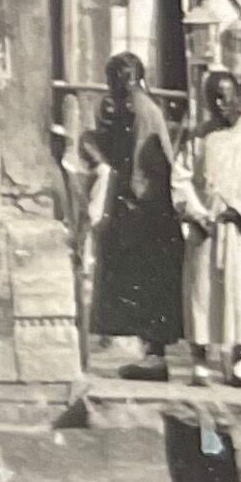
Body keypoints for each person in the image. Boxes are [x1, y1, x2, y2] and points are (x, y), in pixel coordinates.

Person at [176, 66, 241, 388]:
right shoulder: (197, 137)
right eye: (214, 100)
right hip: (206, 228)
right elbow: (180, 180)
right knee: (201, 294)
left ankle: (237, 364)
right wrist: (197, 213)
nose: (221, 105)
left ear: (239, 98)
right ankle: (201, 363)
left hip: (240, 230)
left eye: (226, 97)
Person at [83, 52, 184, 379]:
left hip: (147, 212)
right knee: (140, 284)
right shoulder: (127, 110)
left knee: (147, 283)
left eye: (117, 80)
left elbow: (143, 166)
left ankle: (155, 357)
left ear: (130, 79)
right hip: (142, 207)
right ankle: (150, 354)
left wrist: (129, 203)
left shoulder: (142, 111)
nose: (112, 87)